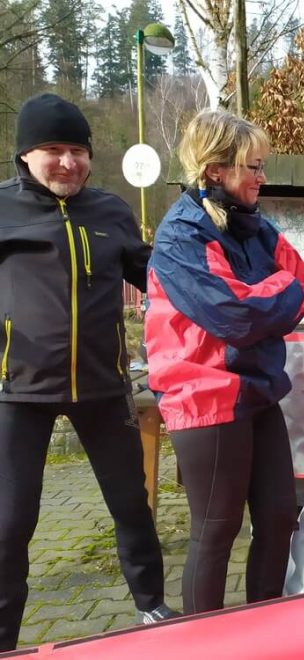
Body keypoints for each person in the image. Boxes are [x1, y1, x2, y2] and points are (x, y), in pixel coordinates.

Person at [0, 93, 175, 650]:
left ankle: (152, 607)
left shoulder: (111, 211)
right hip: (17, 393)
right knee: (9, 526)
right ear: (25, 155)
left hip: (102, 387)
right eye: (54, 150)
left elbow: (153, 274)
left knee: (132, 506)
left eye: (78, 150)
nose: (69, 162)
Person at [144, 110, 304, 613]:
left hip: (258, 388)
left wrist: (266, 298)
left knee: (281, 515)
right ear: (216, 170)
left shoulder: (255, 228)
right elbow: (235, 316)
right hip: (204, 394)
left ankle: (261, 630)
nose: (262, 178)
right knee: (217, 528)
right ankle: (202, 642)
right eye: (253, 167)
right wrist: (271, 296)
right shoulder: (181, 235)